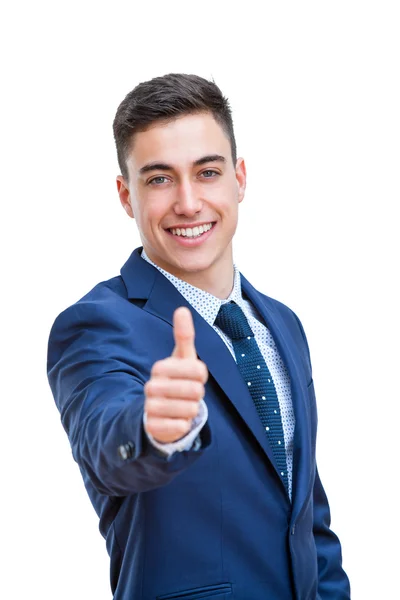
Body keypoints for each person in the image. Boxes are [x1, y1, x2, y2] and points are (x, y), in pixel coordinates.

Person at [47, 73, 351, 600]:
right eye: (159, 179)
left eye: (206, 173)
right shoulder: (96, 325)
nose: (188, 203)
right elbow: (105, 440)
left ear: (240, 179)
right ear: (126, 195)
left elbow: (305, 515)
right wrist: (154, 429)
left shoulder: (283, 324)